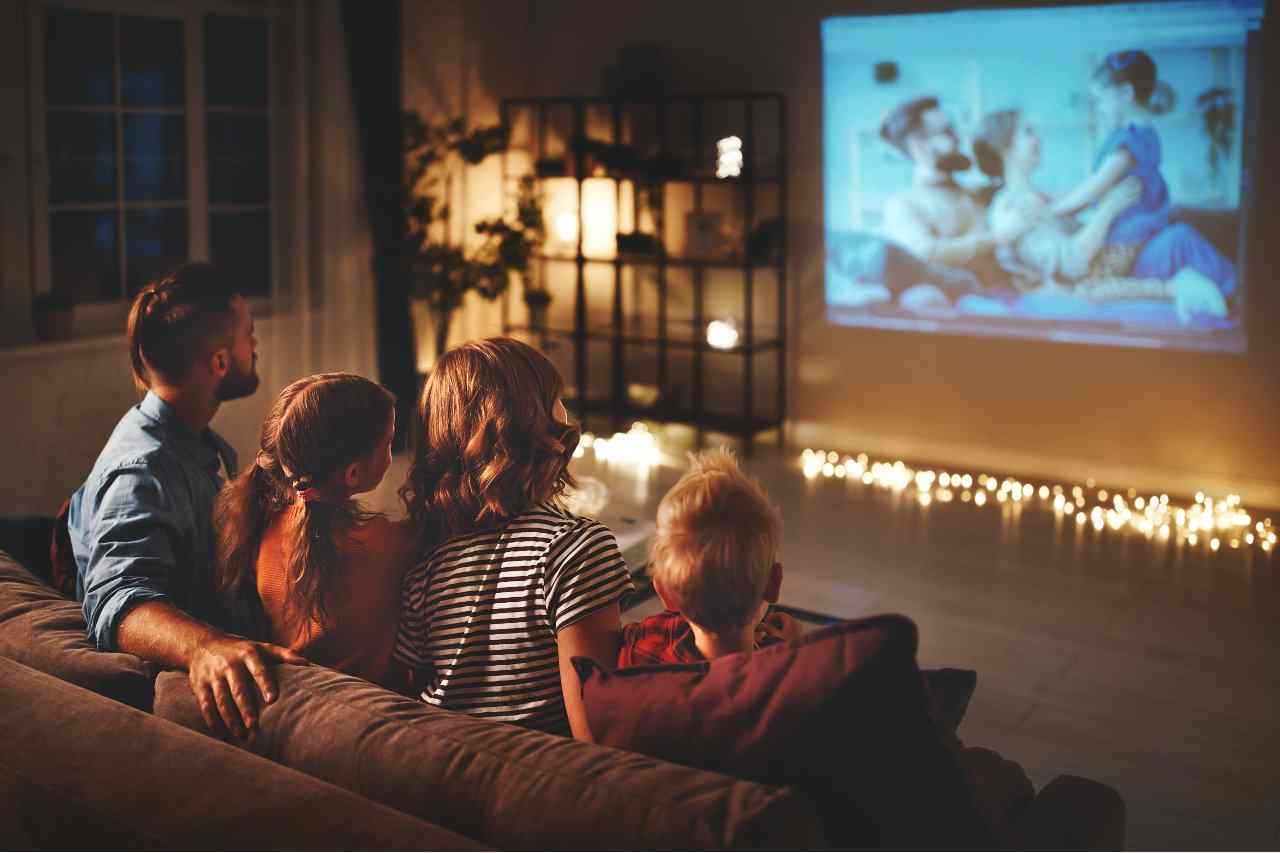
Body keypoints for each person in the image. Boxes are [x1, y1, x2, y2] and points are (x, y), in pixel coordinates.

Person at [68, 262, 305, 739]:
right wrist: (205, 647)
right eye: (248, 336)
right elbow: (119, 600)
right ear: (219, 362)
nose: (254, 347)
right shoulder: (141, 471)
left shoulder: (194, 444)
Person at [393, 337, 634, 740]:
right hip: (538, 776)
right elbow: (595, 732)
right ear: (533, 419)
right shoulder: (577, 549)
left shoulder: (425, 561)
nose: (566, 410)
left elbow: (410, 687)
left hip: (444, 764)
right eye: (556, 397)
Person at [214, 373, 409, 690]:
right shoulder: (388, 542)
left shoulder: (261, 530)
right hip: (372, 702)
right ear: (354, 473)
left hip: (300, 694)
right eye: (388, 443)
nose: (391, 450)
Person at [973, 108, 1228, 323]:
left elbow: (1077, 205)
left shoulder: (1038, 197)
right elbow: (1072, 265)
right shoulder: (1015, 208)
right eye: (1028, 132)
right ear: (1004, 146)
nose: (1038, 139)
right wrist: (1108, 209)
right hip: (1089, 283)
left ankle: (1241, 303)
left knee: (1178, 236)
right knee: (1180, 241)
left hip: (1106, 268)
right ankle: (1245, 308)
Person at [1049, 50, 1237, 304]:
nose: (1100, 109)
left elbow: (1095, 187)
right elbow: (1089, 187)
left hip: (1128, 240)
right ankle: (1234, 290)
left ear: (1126, 94)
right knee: (1182, 239)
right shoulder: (1140, 135)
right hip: (1139, 236)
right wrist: (1052, 200)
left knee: (1181, 239)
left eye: (1102, 100)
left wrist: (1052, 210)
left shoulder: (1131, 141)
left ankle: (1234, 292)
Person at [618, 447, 801, 667]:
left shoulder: (642, 647)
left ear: (665, 593)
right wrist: (794, 648)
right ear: (773, 584)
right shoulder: (784, 670)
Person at [880, 96, 1031, 276]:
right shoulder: (903, 204)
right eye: (947, 132)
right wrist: (997, 238)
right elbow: (924, 251)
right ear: (919, 146)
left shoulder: (977, 194)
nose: (957, 138)